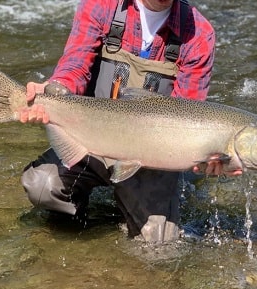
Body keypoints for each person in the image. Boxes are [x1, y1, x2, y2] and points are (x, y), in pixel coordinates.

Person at [18, 0, 239, 242]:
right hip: (92, 140)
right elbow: (75, 67)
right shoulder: (101, 5)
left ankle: (132, 201)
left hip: (152, 157)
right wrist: (53, 92)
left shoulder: (198, 33)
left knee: (158, 246)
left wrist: (206, 158)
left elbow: (187, 113)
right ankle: (77, 223)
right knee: (41, 185)